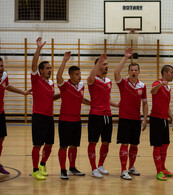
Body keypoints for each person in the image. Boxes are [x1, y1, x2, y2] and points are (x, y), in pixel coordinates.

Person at [114, 48, 148, 180]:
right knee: (124, 144)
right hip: (124, 118)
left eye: (136, 70)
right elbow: (116, 72)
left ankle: (131, 167)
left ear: (139, 72)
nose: (133, 72)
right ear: (128, 72)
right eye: (131, 70)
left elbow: (145, 103)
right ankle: (123, 170)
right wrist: (125, 57)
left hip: (136, 119)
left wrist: (144, 119)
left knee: (134, 144)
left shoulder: (142, 86)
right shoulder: (123, 83)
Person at [56, 51, 91, 179]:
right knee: (63, 146)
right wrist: (64, 61)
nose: (79, 76)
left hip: (77, 120)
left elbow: (81, 99)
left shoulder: (81, 86)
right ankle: (63, 170)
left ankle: (72, 168)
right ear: (70, 75)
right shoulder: (64, 86)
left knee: (74, 146)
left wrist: (93, 104)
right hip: (65, 120)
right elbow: (58, 76)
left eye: (80, 74)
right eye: (77, 74)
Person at [31, 37, 60, 180]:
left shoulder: (51, 83)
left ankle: (42, 164)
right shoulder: (36, 80)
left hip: (49, 117)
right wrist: (38, 48)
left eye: (50, 68)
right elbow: (33, 65)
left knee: (49, 144)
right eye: (47, 68)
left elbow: (51, 98)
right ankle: (35, 169)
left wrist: (62, 95)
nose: (50, 70)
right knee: (37, 144)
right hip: (38, 116)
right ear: (41, 70)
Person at [87, 53, 118, 178]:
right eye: (104, 64)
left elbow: (107, 100)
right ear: (98, 66)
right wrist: (99, 62)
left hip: (107, 115)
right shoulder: (92, 80)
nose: (106, 66)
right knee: (93, 142)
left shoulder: (109, 81)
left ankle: (100, 165)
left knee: (106, 142)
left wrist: (118, 104)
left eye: (107, 64)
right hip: (96, 115)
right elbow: (90, 77)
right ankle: (93, 168)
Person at [0, 57, 31, 175]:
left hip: (1, 112)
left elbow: (7, 86)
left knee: (1, 138)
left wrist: (23, 92)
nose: (1, 68)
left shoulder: (4, 76)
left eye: (2, 66)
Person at [150, 65, 173, 181]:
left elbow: (167, 105)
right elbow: (152, 91)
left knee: (165, 144)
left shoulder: (168, 88)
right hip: (156, 119)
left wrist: (172, 118)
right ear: (165, 73)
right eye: (171, 72)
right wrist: (161, 84)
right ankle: (158, 171)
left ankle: (163, 168)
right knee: (157, 145)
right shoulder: (157, 83)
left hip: (164, 119)